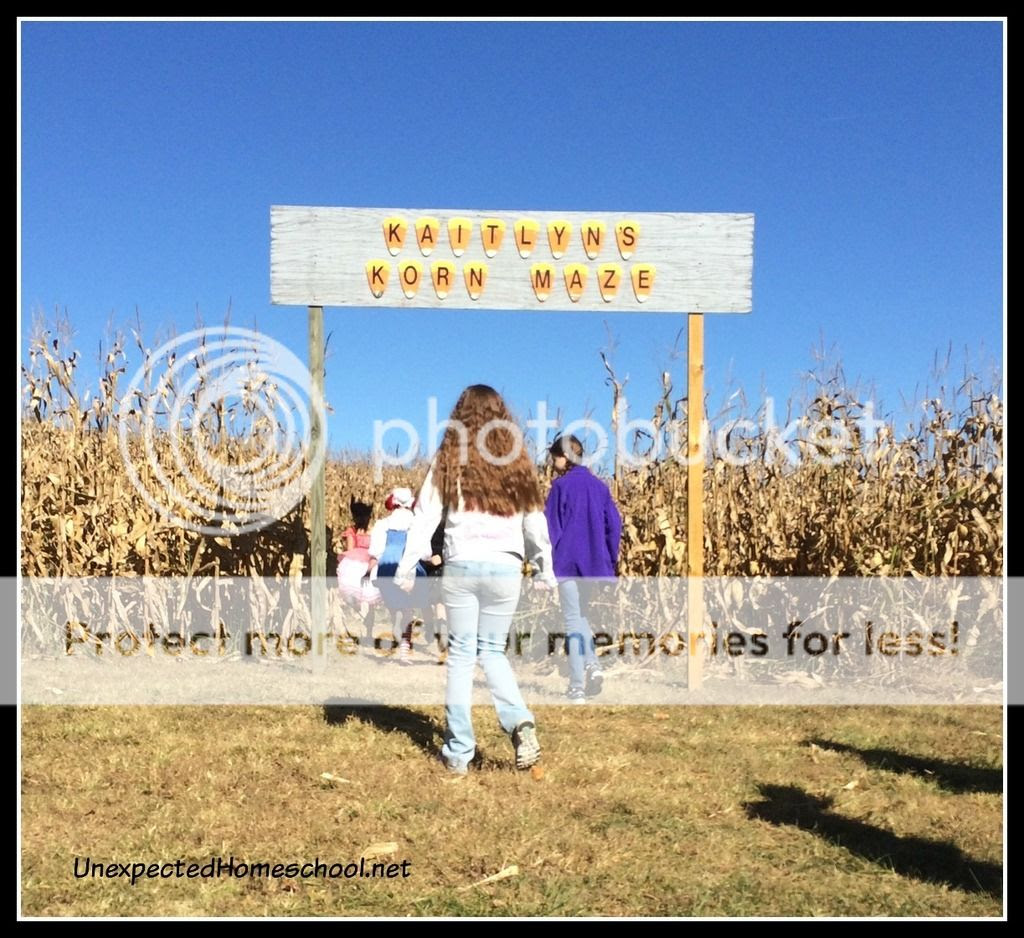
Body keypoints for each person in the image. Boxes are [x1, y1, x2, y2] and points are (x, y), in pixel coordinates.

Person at [394, 385, 557, 775]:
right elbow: (535, 522)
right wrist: (544, 568)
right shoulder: (517, 461)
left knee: (462, 655)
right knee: (493, 651)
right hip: (506, 566)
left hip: (462, 564)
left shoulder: (449, 458)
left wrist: (405, 566)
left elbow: (425, 516)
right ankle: (519, 720)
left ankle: (458, 752)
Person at [544, 434, 622, 704]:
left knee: (571, 621)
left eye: (554, 457)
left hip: (567, 561)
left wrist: (547, 563)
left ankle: (576, 687)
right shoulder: (599, 487)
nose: (552, 463)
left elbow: (551, 528)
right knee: (581, 616)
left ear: (565, 457)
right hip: (593, 564)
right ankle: (593, 666)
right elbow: (614, 525)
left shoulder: (560, 486)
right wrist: (609, 561)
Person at [367, 487, 429, 659]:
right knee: (408, 607)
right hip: (410, 567)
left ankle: (397, 618)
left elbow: (376, 551)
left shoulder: (383, 524)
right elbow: (425, 553)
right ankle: (404, 648)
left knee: (395, 603)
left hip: (387, 566)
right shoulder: (417, 524)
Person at [337, 499, 381, 611]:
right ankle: (358, 608)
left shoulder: (372, 531)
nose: (364, 519)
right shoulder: (352, 531)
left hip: (370, 561)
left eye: (366, 517)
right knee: (356, 586)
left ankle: (368, 613)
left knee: (369, 588)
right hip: (356, 562)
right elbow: (350, 549)